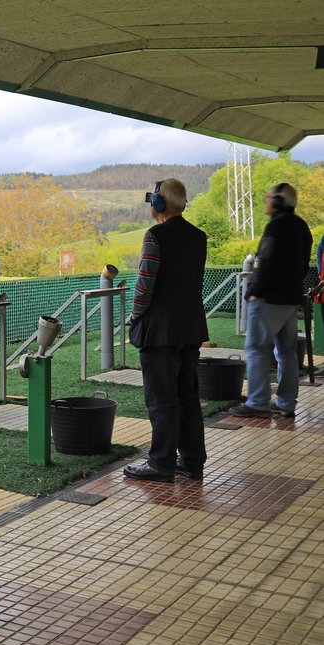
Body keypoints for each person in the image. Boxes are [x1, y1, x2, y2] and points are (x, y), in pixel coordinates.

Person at [122, 179, 208, 483]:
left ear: (158, 204)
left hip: (159, 332)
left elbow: (145, 285)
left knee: (161, 398)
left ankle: (161, 462)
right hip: (191, 328)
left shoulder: (155, 235)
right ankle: (193, 461)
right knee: (187, 395)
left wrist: (135, 316)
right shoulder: (199, 237)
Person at [229, 183, 313, 418]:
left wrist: (255, 291)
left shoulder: (276, 226)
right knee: (286, 352)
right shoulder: (301, 226)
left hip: (269, 299)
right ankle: (286, 404)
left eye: (268, 198)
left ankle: (257, 403)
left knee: (256, 349)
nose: (265, 201)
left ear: (277, 201)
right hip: (290, 299)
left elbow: (266, 262)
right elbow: (304, 265)